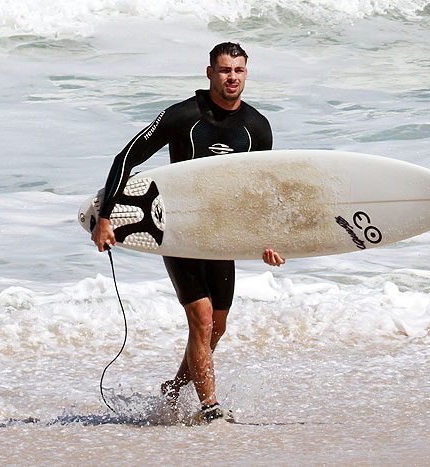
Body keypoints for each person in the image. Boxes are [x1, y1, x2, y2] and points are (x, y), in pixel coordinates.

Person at [91, 42, 285, 423]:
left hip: (221, 235)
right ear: (210, 72)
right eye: (225, 70)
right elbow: (126, 158)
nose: (232, 77)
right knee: (201, 319)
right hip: (178, 231)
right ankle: (210, 407)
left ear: (246, 73)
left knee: (218, 326)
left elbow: (263, 190)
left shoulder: (257, 127)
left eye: (239, 71)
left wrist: (269, 239)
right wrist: (105, 218)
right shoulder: (184, 116)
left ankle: (175, 388)